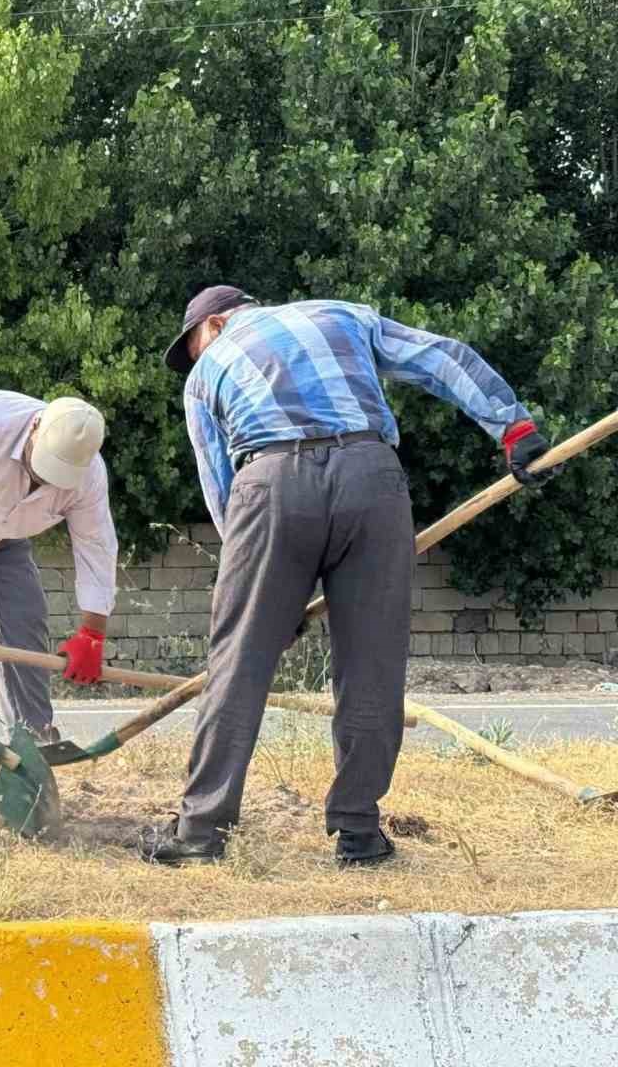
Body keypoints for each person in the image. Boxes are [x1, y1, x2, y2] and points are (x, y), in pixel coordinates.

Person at [141, 285, 562, 868]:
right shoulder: (343, 316)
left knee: (238, 662)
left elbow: (221, 489)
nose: (192, 358)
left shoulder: (204, 372)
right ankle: (359, 831)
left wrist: (260, 593)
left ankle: (200, 832)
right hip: (371, 478)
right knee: (371, 662)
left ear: (211, 326)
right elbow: (443, 358)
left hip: (269, 486)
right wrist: (512, 429)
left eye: (189, 347)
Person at [0, 390, 118, 743]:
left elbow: (96, 546)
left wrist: (92, 633)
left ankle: (33, 737)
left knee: (24, 619)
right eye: (40, 467)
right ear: (35, 427)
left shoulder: (89, 475)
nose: (42, 482)